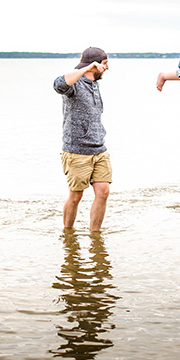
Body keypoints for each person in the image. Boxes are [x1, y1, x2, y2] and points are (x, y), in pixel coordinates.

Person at [53, 47, 112, 232]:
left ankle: (95, 235)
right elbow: (58, 84)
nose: (107, 67)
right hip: (76, 151)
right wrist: (85, 69)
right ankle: (68, 233)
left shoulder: (95, 84)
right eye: (104, 63)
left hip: (99, 149)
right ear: (93, 65)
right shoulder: (75, 85)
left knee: (103, 192)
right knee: (76, 196)